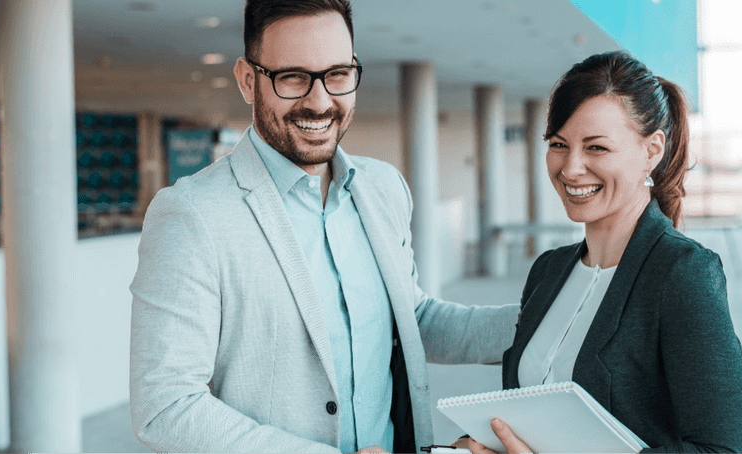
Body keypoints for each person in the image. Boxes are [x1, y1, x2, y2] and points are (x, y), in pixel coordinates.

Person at [128, 0, 518, 452]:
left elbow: (413, 320)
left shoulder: (383, 187)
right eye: (292, 77)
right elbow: (165, 405)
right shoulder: (192, 213)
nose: (319, 101)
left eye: (337, 74)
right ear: (248, 80)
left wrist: (554, 320)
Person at [458, 51, 742, 453]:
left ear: (652, 151)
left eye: (596, 148)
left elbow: (724, 450)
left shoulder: (682, 273)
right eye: (559, 144)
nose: (570, 168)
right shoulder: (548, 270)